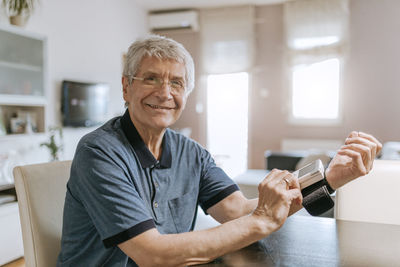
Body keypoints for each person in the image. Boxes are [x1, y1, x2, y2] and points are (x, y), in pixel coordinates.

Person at [57, 35, 382, 266]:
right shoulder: (99, 152)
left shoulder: (191, 153)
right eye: (151, 79)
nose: (165, 92)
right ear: (126, 87)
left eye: (177, 83)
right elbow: (152, 254)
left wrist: (330, 179)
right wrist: (261, 222)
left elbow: (238, 210)